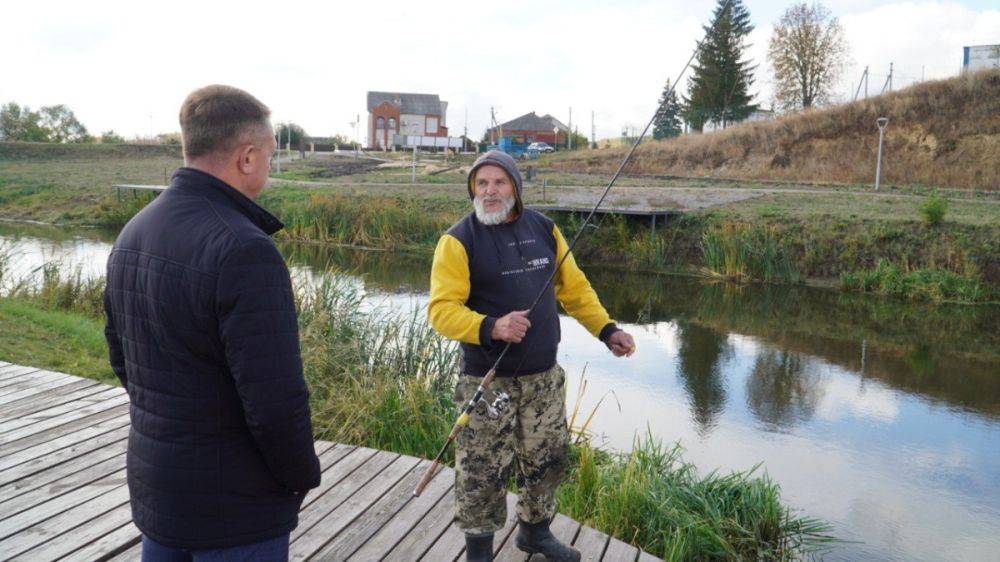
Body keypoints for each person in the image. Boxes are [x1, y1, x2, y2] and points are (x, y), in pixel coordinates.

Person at [103, 85, 321, 561]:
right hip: (235, 509)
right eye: (268, 155)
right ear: (246, 157)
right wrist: (303, 476)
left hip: (159, 488)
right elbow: (275, 401)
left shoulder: (134, 230)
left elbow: (122, 360)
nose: (269, 166)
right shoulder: (245, 250)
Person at [428, 150, 636, 561]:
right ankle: (479, 551)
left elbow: (574, 290)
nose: (489, 191)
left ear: (515, 188)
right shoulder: (457, 240)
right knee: (482, 472)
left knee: (547, 460)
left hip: (543, 378)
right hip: (487, 383)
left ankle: (535, 533)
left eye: (499, 182)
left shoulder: (545, 229)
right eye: (481, 183)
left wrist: (607, 330)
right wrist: (491, 326)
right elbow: (441, 310)